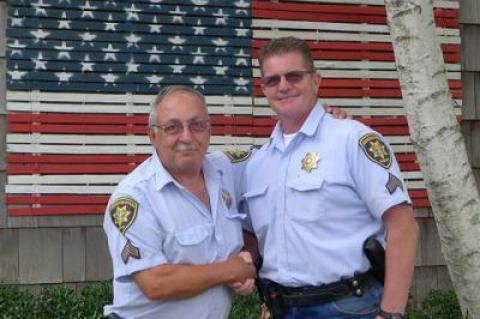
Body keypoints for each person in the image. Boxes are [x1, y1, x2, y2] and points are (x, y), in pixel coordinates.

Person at [241, 37, 419, 319]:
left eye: (294, 76)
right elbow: (251, 237)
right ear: (263, 89)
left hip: (348, 306)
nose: (283, 86)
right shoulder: (257, 163)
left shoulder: (353, 140)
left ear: (316, 81)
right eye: (273, 80)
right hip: (280, 307)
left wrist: (391, 313)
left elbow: (403, 226)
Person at [102, 85, 256, 319]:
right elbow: (155, 282)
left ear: (208, 129)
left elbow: (281, 157)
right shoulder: (134, 197)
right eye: (172, 127)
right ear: (153, 135)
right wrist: (229, 271)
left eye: (197, 125)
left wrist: (329, 129)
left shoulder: (227, 169)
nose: (187, 136)